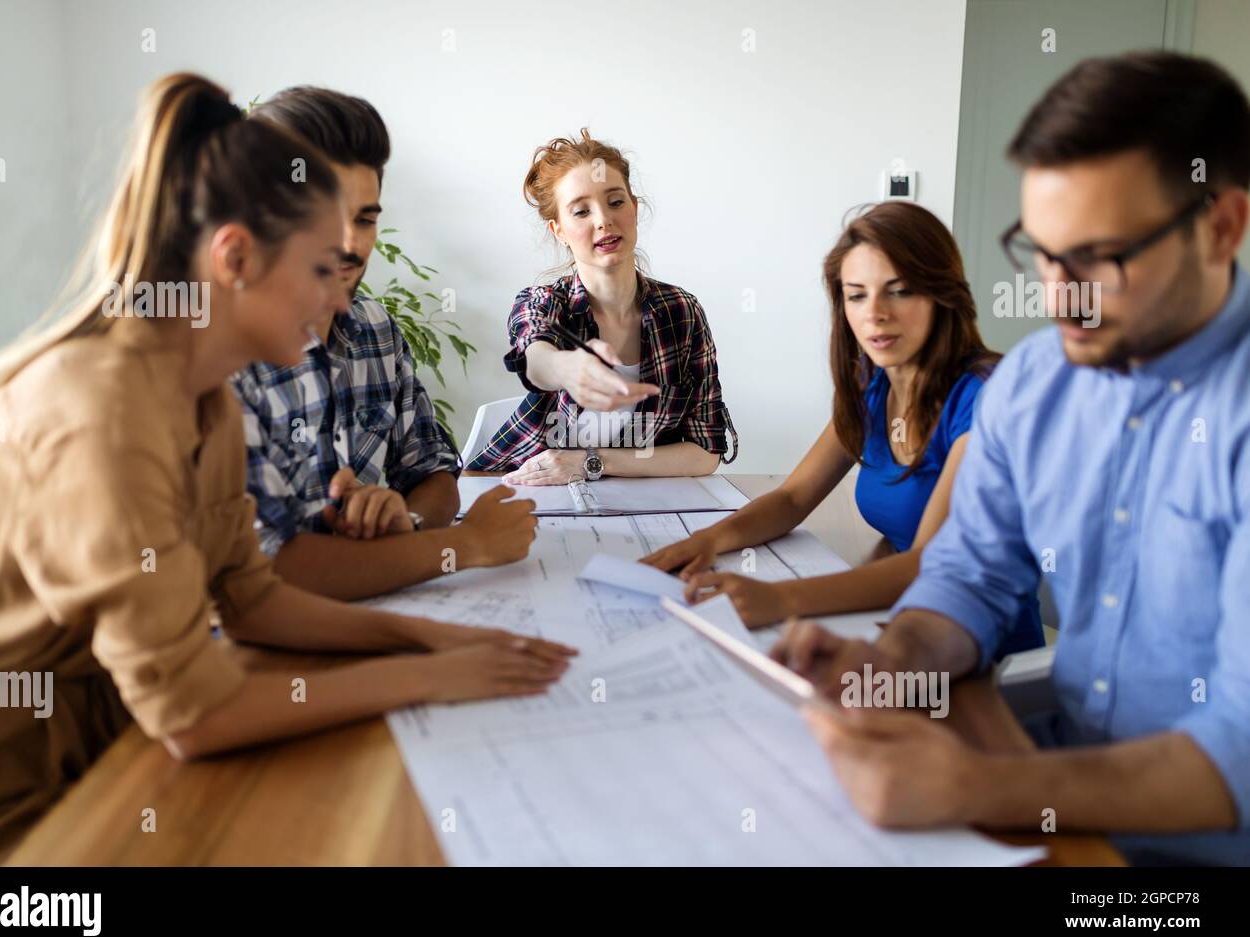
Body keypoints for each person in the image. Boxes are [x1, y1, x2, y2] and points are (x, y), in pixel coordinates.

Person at [0, 74, 573, 865]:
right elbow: (192, 716)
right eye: (320, 269)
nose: (339, 298)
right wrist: (428, 676)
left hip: (99, 764)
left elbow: (250, 599)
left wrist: (422, 637)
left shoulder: (201, 396)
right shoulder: (101, 408)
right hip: (0, 830)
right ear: (236, 257)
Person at [783, 51, 1250, 865]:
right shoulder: (1036, 382)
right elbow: (966, 575)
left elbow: (1238, 750)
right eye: (1039, 248)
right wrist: (889, 664)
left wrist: (968, 785)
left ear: (1220, 226)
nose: (1055, 292)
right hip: (1052, 781)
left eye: (1098, 256)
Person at [644, 202, 1043, 654]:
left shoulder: (990, 396)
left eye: (900, 291)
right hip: (891, 621)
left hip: (979, 653)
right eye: (856, 295)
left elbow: (931, 564)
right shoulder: (870, 383)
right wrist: (707, 541)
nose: (875, 313)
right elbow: (794, 498)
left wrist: (779, 599)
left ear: (942, 294)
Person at [235, 87, 538, 600]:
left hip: (389, 612)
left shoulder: (375, 327)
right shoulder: (225, 357)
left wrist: (408, 522)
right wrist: (467, 545)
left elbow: (435, 470)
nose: (351, 244)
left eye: (365, 218)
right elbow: (266, 571)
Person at [466, 129, 738, 483]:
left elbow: (705, 452)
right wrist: (565, 368)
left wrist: (592, 461)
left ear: (635, 209)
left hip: (639, 503)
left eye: (615, 202)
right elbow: (535, 358)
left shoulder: (682, 312)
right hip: (521, 486)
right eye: (580, 211)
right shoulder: (544, 302)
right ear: (558, 230)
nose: (603, 220)